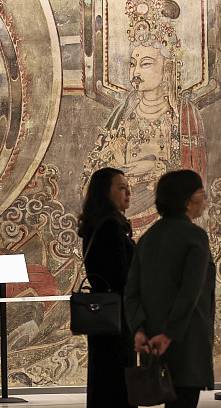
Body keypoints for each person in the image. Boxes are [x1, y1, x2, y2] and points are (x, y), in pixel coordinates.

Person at [84, 0, 205, 230]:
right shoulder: (122, 112)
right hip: (123, 214)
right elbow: (96, 167)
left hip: (163, 217)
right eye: (132, 64)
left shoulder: (185, 114)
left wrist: (155, 169)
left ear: (168, 68)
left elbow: (190, 176)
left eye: (146, 64)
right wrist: (118, 162)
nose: (136, 73)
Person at [125, 169, 215, 408]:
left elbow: (131, 291)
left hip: (151, 340)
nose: (204, 198)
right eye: (200, 192)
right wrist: (170, 334)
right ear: (186, 200)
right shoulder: (195, 236)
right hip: (184, 341)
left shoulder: (148, 237)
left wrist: (139, 330)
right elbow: (190, 292)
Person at [77, 168, 135, 408]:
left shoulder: (97, 223)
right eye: (121, 187)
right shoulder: (110, 226)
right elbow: (122, 276)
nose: (129, 192)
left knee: (104, 382)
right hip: (118, 316)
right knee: (118, 385)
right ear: (105, 192)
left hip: (105, 315)